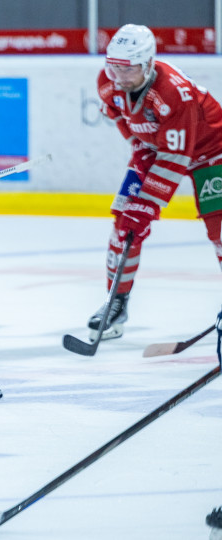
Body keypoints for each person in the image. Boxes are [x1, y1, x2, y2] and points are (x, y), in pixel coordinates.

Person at [90, 23, 222, 340]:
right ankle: (115, 305)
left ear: (148, 62)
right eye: (114, 67)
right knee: (124, 227)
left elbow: (175, 158)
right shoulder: (107, 83)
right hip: (154, 150)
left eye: (129, 69)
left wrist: (148, 207)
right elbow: (117, 114)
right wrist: (137, 145)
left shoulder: (174, 92)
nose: (119, 77)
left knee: (220, 231)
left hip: (211, 152)